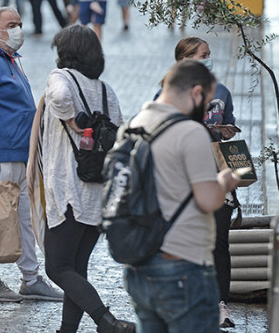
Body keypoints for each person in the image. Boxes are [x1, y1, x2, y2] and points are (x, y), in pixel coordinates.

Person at [124, 60, 241, 332]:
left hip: (141, 266)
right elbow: (208, 200)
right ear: (196, 92)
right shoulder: (191, 133)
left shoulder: (136, 123)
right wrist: (225, 180)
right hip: (181, 266)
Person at [0, 7, 63, 303]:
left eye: (19, 23)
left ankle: (30, 279)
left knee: (22, 220)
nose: (18, 29)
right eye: (11, 24)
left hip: (18, 155)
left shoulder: (9, 59)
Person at [40, 25, 135, 333]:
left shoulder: (61, 77)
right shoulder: (106, 90)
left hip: (69, 189)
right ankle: (67, 331)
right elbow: (120, 134)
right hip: (98, 192)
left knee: (57, 267)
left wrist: (71, 119)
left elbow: (59, 95)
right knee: (76, 267)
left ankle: (106, 321)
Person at [172, 37, 238, 328]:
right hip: (184, 177)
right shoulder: (170, 92)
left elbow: (230, 125)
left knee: (219, 243)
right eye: (203, 55)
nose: (208, 59)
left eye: (209, 54)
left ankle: (220, 304)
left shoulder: (221, 90)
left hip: (217, 174)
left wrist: (225, 130)